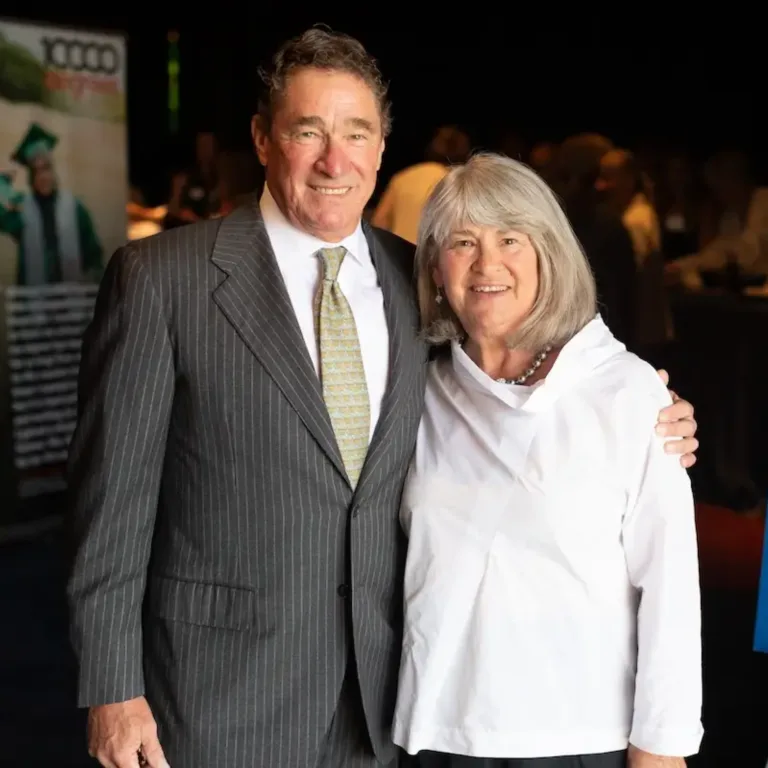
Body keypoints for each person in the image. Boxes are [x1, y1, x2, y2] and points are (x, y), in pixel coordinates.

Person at [66, 28, 700, 768]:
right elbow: (110, 503)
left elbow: (522, 366)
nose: (335, 160)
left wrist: (645, 407)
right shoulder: (161, 279)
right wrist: (112, 690)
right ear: (264, 141)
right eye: (309, 131)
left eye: (357, 133)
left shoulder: (418, 283)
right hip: (215, 701)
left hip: (383, 708)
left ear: (381, 147)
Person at [393, 153, 702, 768]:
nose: (487, 264)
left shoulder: (627, 392)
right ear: (434, 267)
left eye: (511, 238)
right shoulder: (417, 394)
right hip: (440, 734)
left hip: (579, 737)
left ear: (548, 255)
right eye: (462, 242)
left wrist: (660, 750)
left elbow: (670, 587)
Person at [0, 123, 102, 284]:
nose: (43, 176)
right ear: (31, 178)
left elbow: (94, 256)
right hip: (34, 302)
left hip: (71, 300)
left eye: (46, 168)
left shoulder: (75, 209)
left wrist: (92, 276)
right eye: (36, 171)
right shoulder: (21, 210)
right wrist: (3, 180)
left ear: (53, 170)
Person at [371, 125, 470, 243]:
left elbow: (378, 224)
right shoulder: (460, 184)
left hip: (398, 256)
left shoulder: (403, 178)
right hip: (435, 258)